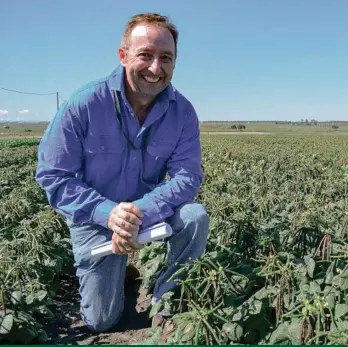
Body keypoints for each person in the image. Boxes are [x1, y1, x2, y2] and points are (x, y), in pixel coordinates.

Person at [35, 12, 209, 333]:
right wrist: (109, 214)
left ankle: (167, 298)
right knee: (102, 320)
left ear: (174, 62)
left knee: (195, 217)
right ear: (123, 55)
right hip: (94, 217)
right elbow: (53, 175)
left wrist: (136, 214)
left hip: (146, 215)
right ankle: (122, 271)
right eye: (145, 55)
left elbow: (188, 177)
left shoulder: (182, 112)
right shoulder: (84, 104)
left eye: (166, 58)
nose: (155, 68)